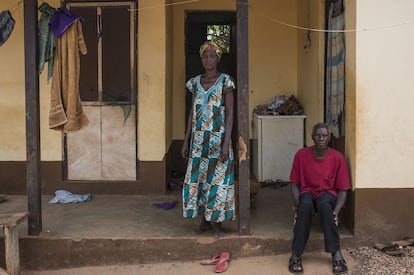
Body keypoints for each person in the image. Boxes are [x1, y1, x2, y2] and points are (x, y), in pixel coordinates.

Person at [181, 41, 236, 238]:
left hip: (218, 140)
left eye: (213, 56)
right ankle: (204, 219)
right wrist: (186, 141)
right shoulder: (195, 83)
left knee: (218, 182)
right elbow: (192, 114)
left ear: (218, 58)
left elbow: (230, 114)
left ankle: (217, 224)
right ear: (201, 59)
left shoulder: (226, 82)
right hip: (198, 142)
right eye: (205, 56)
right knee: (199, 180)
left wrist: (226, 144)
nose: (209, 59)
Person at [288, 123, 351, 274]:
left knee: (325, 206)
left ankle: (336, 253)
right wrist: (298, 207)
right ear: (312, 137)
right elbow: (294, 184)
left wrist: (336, 212)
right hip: (307, 192)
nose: (321, 138)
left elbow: (343, 190)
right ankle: (295, 255)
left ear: (329, 138)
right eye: (318, 135)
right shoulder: (301, 155)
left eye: (325, 136)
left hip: (327, 194)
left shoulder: (338, 158)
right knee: (305, 206)